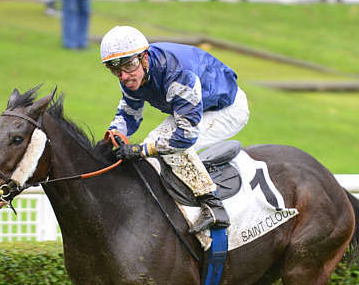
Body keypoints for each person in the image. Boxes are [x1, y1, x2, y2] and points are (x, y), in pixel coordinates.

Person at [101, 26, 250, 234]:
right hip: (197, 105)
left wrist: (141, 150)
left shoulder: (177, 75)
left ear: (144, 58)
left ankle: (213, 205)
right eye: (115, 69)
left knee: (166, 146)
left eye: (129, 65)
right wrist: (113, 136)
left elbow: (185, 137)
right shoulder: (131, 76)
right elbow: (130, 114)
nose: (124, 76)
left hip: (227, 109)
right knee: (155, 141)